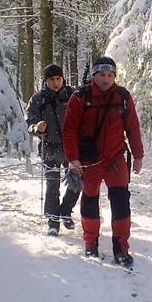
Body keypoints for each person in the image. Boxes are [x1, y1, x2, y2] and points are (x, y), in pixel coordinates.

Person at [62, 56, 144, 267]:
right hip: (90, 161)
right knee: (90, 200)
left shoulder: (123, 97)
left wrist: (138, 156)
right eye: (101, 75)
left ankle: (121, 248)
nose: (106, 79)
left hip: (115, 158)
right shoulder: (80, 97)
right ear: (94, 76)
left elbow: (133, 128)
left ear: (114, 76)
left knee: (121, 201)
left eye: (110, 75)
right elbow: (69, 130)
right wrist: (73, 159)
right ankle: (91, 243)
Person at [26, 63, 80, 236]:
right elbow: (29, 124)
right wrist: (37, 127)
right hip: (49, 149)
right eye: (51, 79)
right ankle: (52, 222)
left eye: (58, 78)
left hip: (72, 148)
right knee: (52, 186)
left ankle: (65, 211)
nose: (56, 83)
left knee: (76, 183)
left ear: (63, 79)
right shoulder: (38, 99)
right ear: (45, 81)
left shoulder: (73, 95)